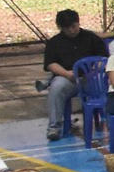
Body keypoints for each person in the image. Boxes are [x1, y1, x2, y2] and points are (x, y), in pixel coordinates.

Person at [39, 8, 106, 141]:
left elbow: (103, 58)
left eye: (74, 26)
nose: (71, 30)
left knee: (105, 86)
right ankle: (54, 127)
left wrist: (92, 72)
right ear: (60, 28)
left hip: (90, 78)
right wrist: (65, 74)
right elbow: (50, 64)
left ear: (78, 23)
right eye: (67, 28)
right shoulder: (54, 43)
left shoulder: (91, 38)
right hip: (68, 78)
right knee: (56, 87)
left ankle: (110, 122)